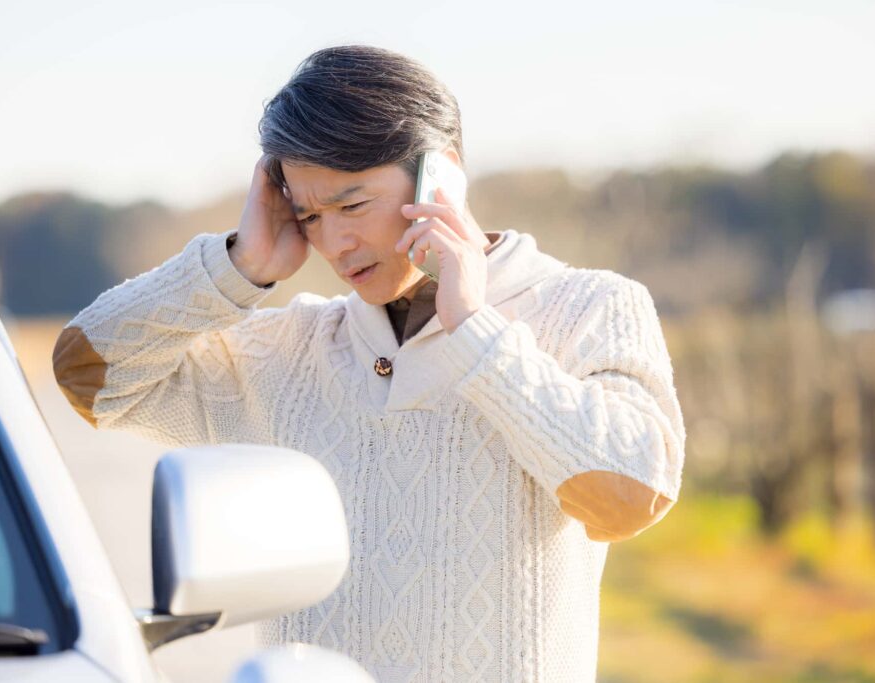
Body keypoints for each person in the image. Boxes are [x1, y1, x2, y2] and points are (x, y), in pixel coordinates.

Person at [52, 44, 686, 682]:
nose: (333, 243)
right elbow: (92, 374)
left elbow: (630, 497)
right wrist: (236, 267)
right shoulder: (293, 348)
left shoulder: (590, 307)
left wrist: (477, 331)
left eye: (352, 206)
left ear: (445, 176)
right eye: (308, 216)